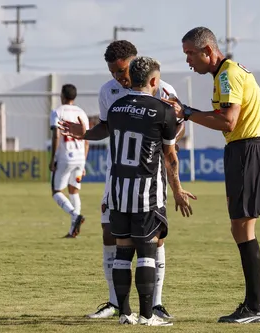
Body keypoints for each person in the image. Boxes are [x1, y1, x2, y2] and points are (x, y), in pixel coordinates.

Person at [59, 56, 196, 326]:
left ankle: (125, 313)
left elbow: (104, 128)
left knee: (123, 250)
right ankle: (147, 315)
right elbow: (170, 156)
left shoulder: (117, 106)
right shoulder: (162, 108)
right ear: (153, 81)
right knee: (147, 250)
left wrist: (84, 132)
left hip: (119, 189)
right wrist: (178, 188)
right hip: (148, 191)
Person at [163, 26, 260, 324]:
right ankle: (252, 305)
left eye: (190, 54)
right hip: (244, 150)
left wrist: (186, 112)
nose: (188, 61)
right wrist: (188, 112)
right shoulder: (227, 73)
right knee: (239, 228)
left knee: (244, 228)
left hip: (247, 151)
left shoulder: (227, 75)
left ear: (208, 51)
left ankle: (254, 307)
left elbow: (228, 122)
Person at [82, 40, 183, 320]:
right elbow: (105, 128)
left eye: (122, 70)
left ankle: (156, 304)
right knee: (112, 234)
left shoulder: (164, 90)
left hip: (147, 177)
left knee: (151, 241)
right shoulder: (109, 92)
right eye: (113, 72)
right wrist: (85, 133)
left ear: (135, 63)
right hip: (118, 175)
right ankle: (117, 304)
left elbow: (174, 137)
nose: (118, 77)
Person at [49, 84, 89, 238]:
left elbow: (57, 135)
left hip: (65, 156)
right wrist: (84, 162)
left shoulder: (58, 112)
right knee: (74, 191)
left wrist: (53, 158)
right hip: (79, 157)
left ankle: (74, 215)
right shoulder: (81, 112)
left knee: (56, 192)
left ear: (62, 96)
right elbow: (86, 139)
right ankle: (73, 230)